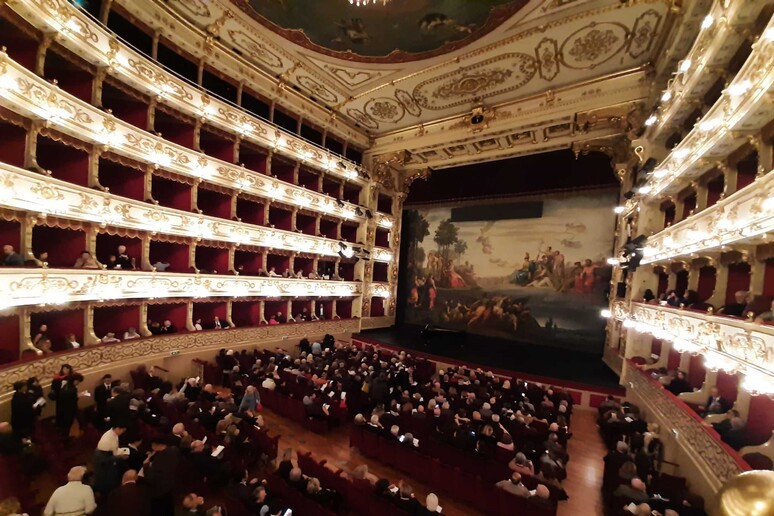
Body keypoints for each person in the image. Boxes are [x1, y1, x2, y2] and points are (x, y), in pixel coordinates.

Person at [142, 436, 180, 516]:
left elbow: (149, 478)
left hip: (159, 492)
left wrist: (146, 466)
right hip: (171, 488)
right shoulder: (174, 451)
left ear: (156, 445)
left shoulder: (159, 459)